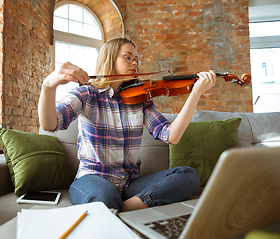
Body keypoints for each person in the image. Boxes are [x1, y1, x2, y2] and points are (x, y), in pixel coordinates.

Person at [38, 38, 216, 212]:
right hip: (92, 179)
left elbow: (172, 136)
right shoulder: (86, 93)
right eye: (128, 57)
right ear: (110, 59)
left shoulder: (140, 99)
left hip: (129, 183)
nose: (134, 63)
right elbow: (50, 124)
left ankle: (120, 209)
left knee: (188, 176)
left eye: (136, 59)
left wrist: (196, 93)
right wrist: (48, 86)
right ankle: (116, 207)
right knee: (104, 196)